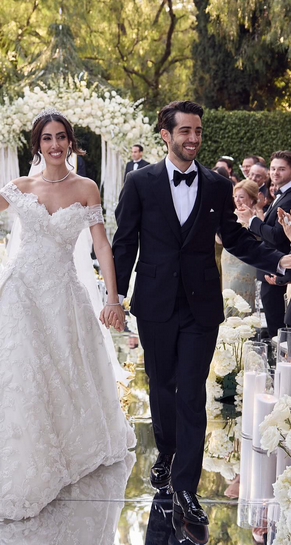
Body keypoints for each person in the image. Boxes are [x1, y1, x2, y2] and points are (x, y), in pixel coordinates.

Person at [0, 107, 135, 520]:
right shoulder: (21, 186)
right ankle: (17, 453)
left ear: (70, 142)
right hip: (20, 291)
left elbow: (101, 246)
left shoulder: (86, 188)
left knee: (64, 370)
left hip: (63, 295)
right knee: (20, 371)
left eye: (61, 137)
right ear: (37, 144)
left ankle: (64, 445)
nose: (55, 144)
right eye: (47, 138)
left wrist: (112, 299)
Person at [112, 101, 291, 528]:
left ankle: (186, 488)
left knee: (191, 391)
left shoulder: (215, 184)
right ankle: (167, 450)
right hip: (155, 302)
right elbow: (125, 241)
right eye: (185, 131)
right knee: (162, 386)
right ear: (166, 135)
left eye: (197, 131)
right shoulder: (139, 182)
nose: (193, 138)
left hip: (201, 305)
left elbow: (234, 237)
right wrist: (114, 296)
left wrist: (278, 259)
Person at [237, 151, 291, 337]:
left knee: (279, 331)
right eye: (273, 169)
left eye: (281, 169)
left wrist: (252, 220)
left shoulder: (289, 197)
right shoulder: (281, 194)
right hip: (271, 270)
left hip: (279, 272)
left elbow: (277, 236)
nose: (275, 173)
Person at [220, 181, 260, 310]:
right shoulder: (231, 214)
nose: (237, 200)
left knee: (241, 294)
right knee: (228, 295)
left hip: (245, 260)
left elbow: (259, 236)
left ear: (252, 199)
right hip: (228, 258)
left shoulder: (257, 215)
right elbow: (219, 240)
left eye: (241, 197)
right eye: (235, 196)